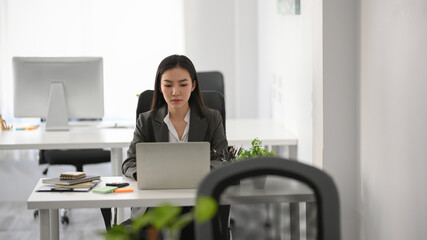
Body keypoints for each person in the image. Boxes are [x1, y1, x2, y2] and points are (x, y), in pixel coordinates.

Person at [121, 54, 229, 240]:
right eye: (168, 85)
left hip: (197, 203)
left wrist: (198, 173)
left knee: (193, 227)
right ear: (160, 86)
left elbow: (223, 159)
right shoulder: (146, 121)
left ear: (193, 85)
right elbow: (129, 162)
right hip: (156, 205)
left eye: (183, 84)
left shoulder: (212, 118)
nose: (175, 92)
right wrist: (145, 174)